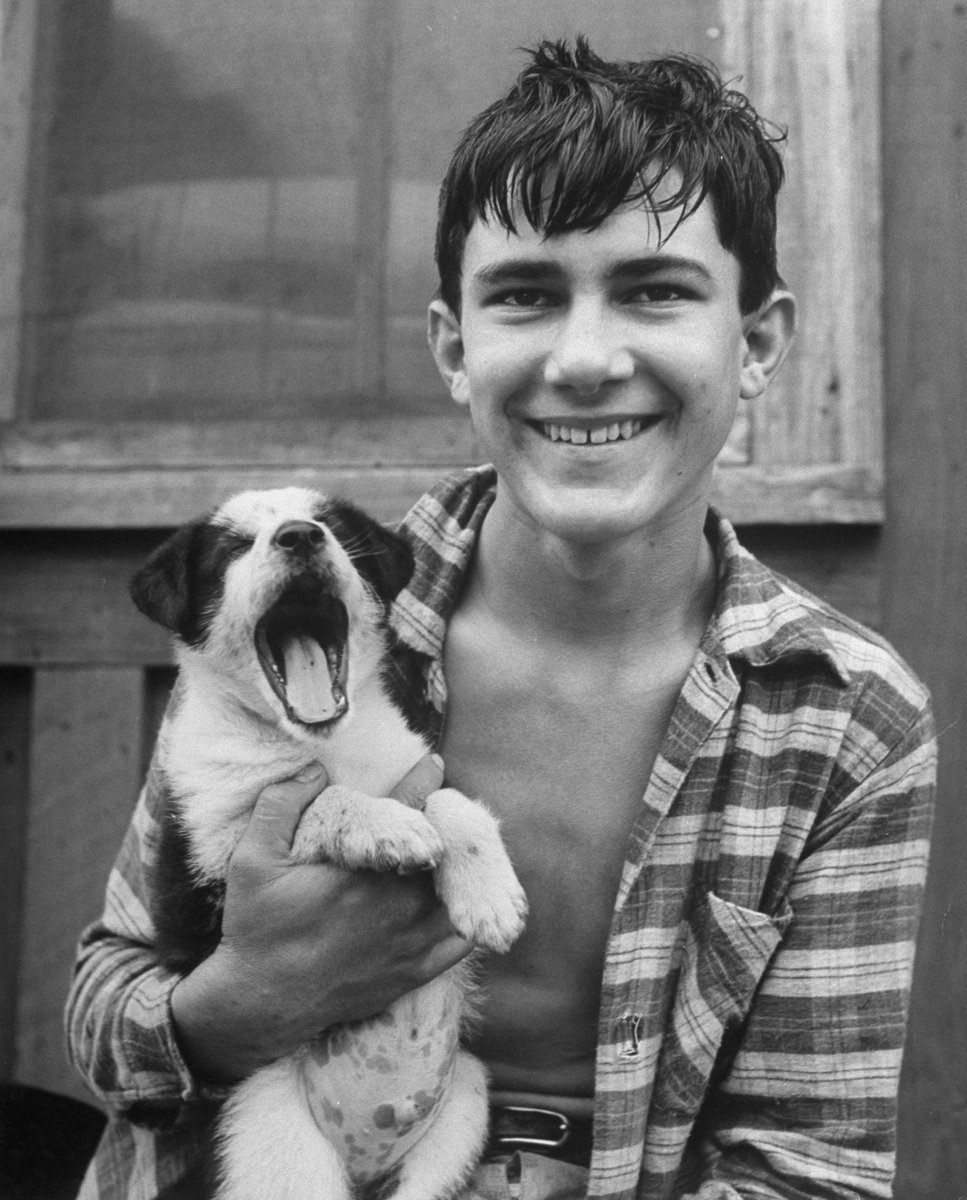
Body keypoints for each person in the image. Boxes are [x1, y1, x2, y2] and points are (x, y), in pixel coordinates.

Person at [66, 38, 935, 1200]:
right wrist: (239, 1007)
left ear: (760, 344)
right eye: (524, 295)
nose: (583, 359)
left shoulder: (844, 717)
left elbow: (807, 1170)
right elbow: (104, 997)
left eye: (654, 291)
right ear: (452, 346)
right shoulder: (310, 624)